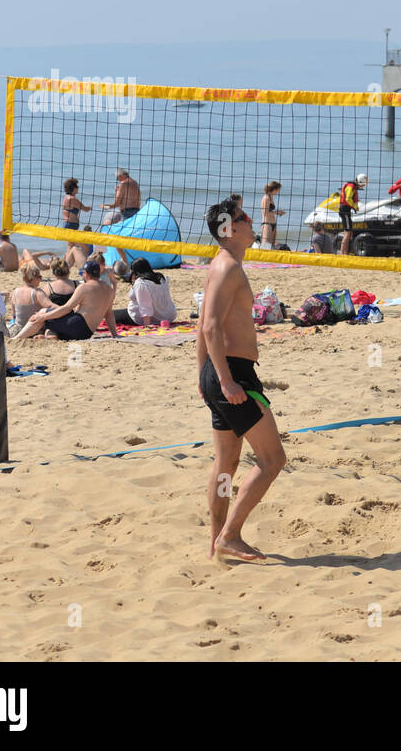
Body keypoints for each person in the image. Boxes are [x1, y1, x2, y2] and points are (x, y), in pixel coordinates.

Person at [197, 196, 286, 561]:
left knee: (226, 466)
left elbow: (202, 329)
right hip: (232, 375)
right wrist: (224, 381)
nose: (251, 220)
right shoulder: (227, 267)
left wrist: (205, 379)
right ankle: (229, 537)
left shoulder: (224, 265)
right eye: (244, 216)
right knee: (272, 459)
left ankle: (217, 543)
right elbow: (211, 327)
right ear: (229, 228)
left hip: (221, 374)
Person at [16, 260, 118, 341]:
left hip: (77, 325)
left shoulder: (84, 287)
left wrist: (43, 317)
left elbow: (67, 308)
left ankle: (17, 338)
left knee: (42, 313)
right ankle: (51, 337)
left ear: (86, 274)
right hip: (87, 333)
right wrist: (115, 335)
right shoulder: (108, 289)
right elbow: (109, 314)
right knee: (55, 323)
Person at [114, 258, 178, 326]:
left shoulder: (141, 283)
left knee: (111, 314)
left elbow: (145, 306)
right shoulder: (161, 278)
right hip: (168, 315)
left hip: (149, 317)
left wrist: (146, 325)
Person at [11, 262, 56, 333]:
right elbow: (51, 306)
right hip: (33, 329)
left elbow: (14, 314)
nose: (41, 280)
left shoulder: (15, 291)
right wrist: (65, 308)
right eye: (40, 277)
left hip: (18, 329)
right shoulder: (36, 292)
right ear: (34, 278)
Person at [339, 174, 367, 255]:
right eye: (363, 185)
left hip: (346, 210)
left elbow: (350, 198)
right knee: (348, 232)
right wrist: (355, 207)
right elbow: (348, 199)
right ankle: (342, 253)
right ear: (360, 182)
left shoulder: (353, 187)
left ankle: (345, 252)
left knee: (349, 232)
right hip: (344, 210)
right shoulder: (351, 186)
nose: (363, 186)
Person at [260, 181, 286, 250]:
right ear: (275, 189)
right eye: (278, 189)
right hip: (267, 224)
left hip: (273, 223)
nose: (278, 191)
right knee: (266, 245)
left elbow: (271, 211)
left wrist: (278, 212)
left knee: (272, 244)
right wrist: (277, 212)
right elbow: (265, 212)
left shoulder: (271, 197)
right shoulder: (266, 198)